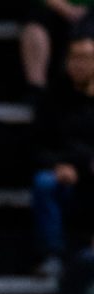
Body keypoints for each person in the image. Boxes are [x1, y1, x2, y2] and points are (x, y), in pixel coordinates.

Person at [32, 33, 94, 277]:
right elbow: (37, 145)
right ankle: (52, 254)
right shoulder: (54, 98)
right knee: (44, 183)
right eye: (75, 58)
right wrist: (59, 165)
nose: (79, 64)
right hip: (67, 175)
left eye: (87, 59)